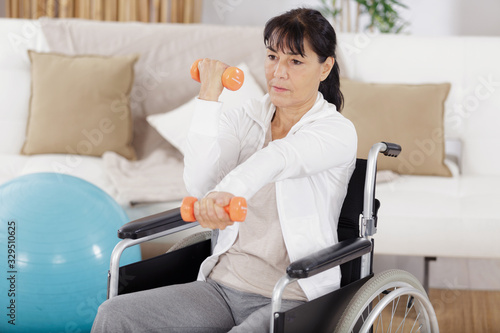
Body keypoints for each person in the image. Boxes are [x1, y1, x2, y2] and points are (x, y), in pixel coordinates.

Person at [92, 7, 357, 333]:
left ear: (325, 67)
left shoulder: (335, 132)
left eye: (295, 61)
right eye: (272, 56)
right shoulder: (248, 116)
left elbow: (278, 158)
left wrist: (225, 194)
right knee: (115, 314)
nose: (278, 72)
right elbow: (199, 182)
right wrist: (209, 94)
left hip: (291, 294)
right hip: (221, 285)